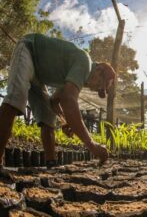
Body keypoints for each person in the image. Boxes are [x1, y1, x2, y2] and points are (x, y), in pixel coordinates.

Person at [0, 33, 116, 168]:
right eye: (101, 86)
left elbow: (55, 101)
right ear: (99, 69)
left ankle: (51, 164)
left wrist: (65, 121)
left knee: (48, 116)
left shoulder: (75, 76)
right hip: (29, 49)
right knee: (16, 98)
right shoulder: (85, 63)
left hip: (38, 76)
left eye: (100, 91)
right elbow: (69, 100)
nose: (97, 90)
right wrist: (91, 144)